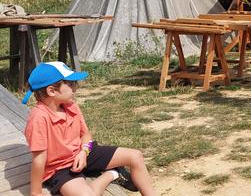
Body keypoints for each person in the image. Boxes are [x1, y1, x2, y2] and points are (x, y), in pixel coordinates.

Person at [22, 62, 155, 196]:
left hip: (82, 153)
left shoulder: (71, 106)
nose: (75, 88)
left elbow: (86, 135)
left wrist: (83, 152)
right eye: (71, 84)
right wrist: (36, 192)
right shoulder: (38, 118)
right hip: (59, 168)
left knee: (135, 156)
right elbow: (39, 159)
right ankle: (113, 174)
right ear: (52, 91)